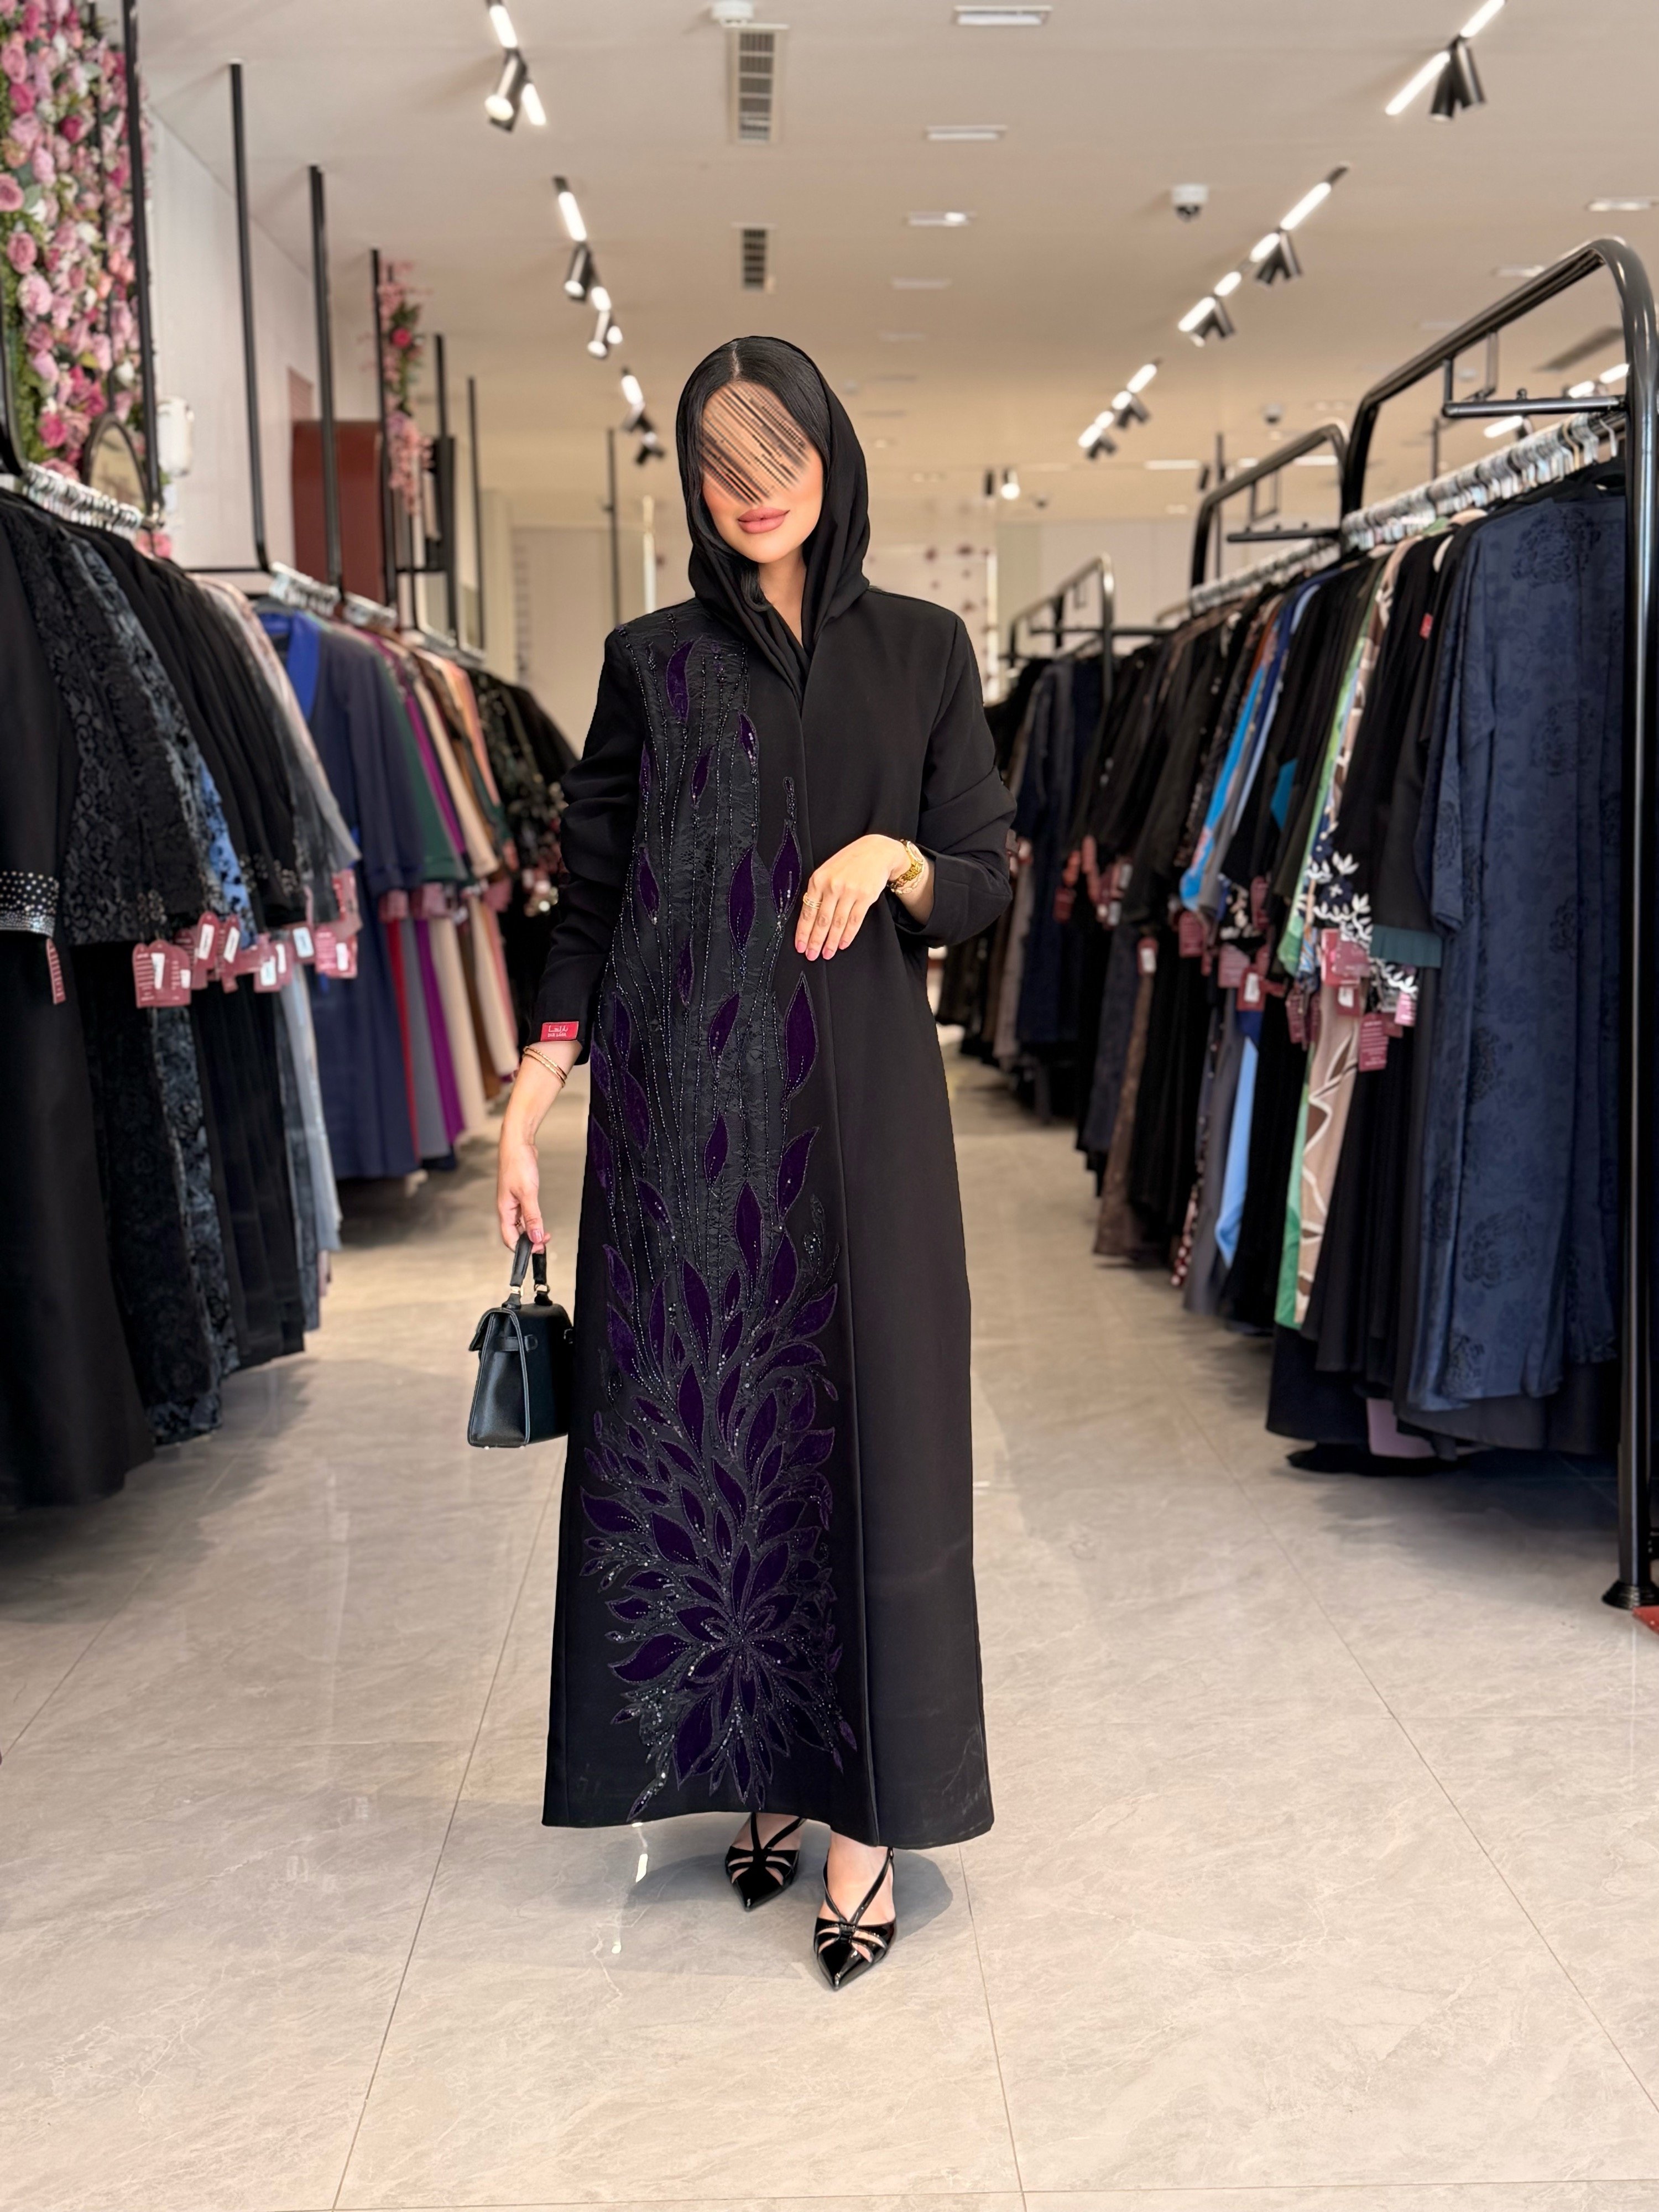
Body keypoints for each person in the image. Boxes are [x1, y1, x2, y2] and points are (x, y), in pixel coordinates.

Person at [495, 335, 1013, 1989]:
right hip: (687, 1130)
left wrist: (898, 858)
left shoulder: (923, 650)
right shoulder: (650, 663)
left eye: (775, 452)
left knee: (875, 1440)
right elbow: (590, 892)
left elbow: (988, 875)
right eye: (719, 464)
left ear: (830, 453)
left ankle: (868, 1820)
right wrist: (535, 1083)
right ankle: (758, 1766)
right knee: (724, 1436)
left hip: (862, 1125)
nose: (751, 489)